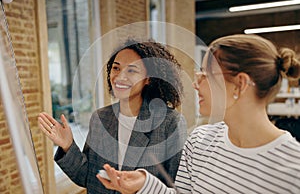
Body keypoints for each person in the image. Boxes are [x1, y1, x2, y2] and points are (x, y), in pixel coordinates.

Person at [97, 34, 300, 194]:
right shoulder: (200, 140)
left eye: (206, 75)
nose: (195, 84)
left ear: (240, 84)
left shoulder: (293, 170)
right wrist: (145, 184)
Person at [38, 38, 187, 193]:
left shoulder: (170, 123)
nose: (120, 77)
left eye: (131, 70)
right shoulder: (101, 118)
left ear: (148, 78)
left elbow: (176, 188)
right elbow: (87, 178)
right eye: (116, 68)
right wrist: (68, 146)